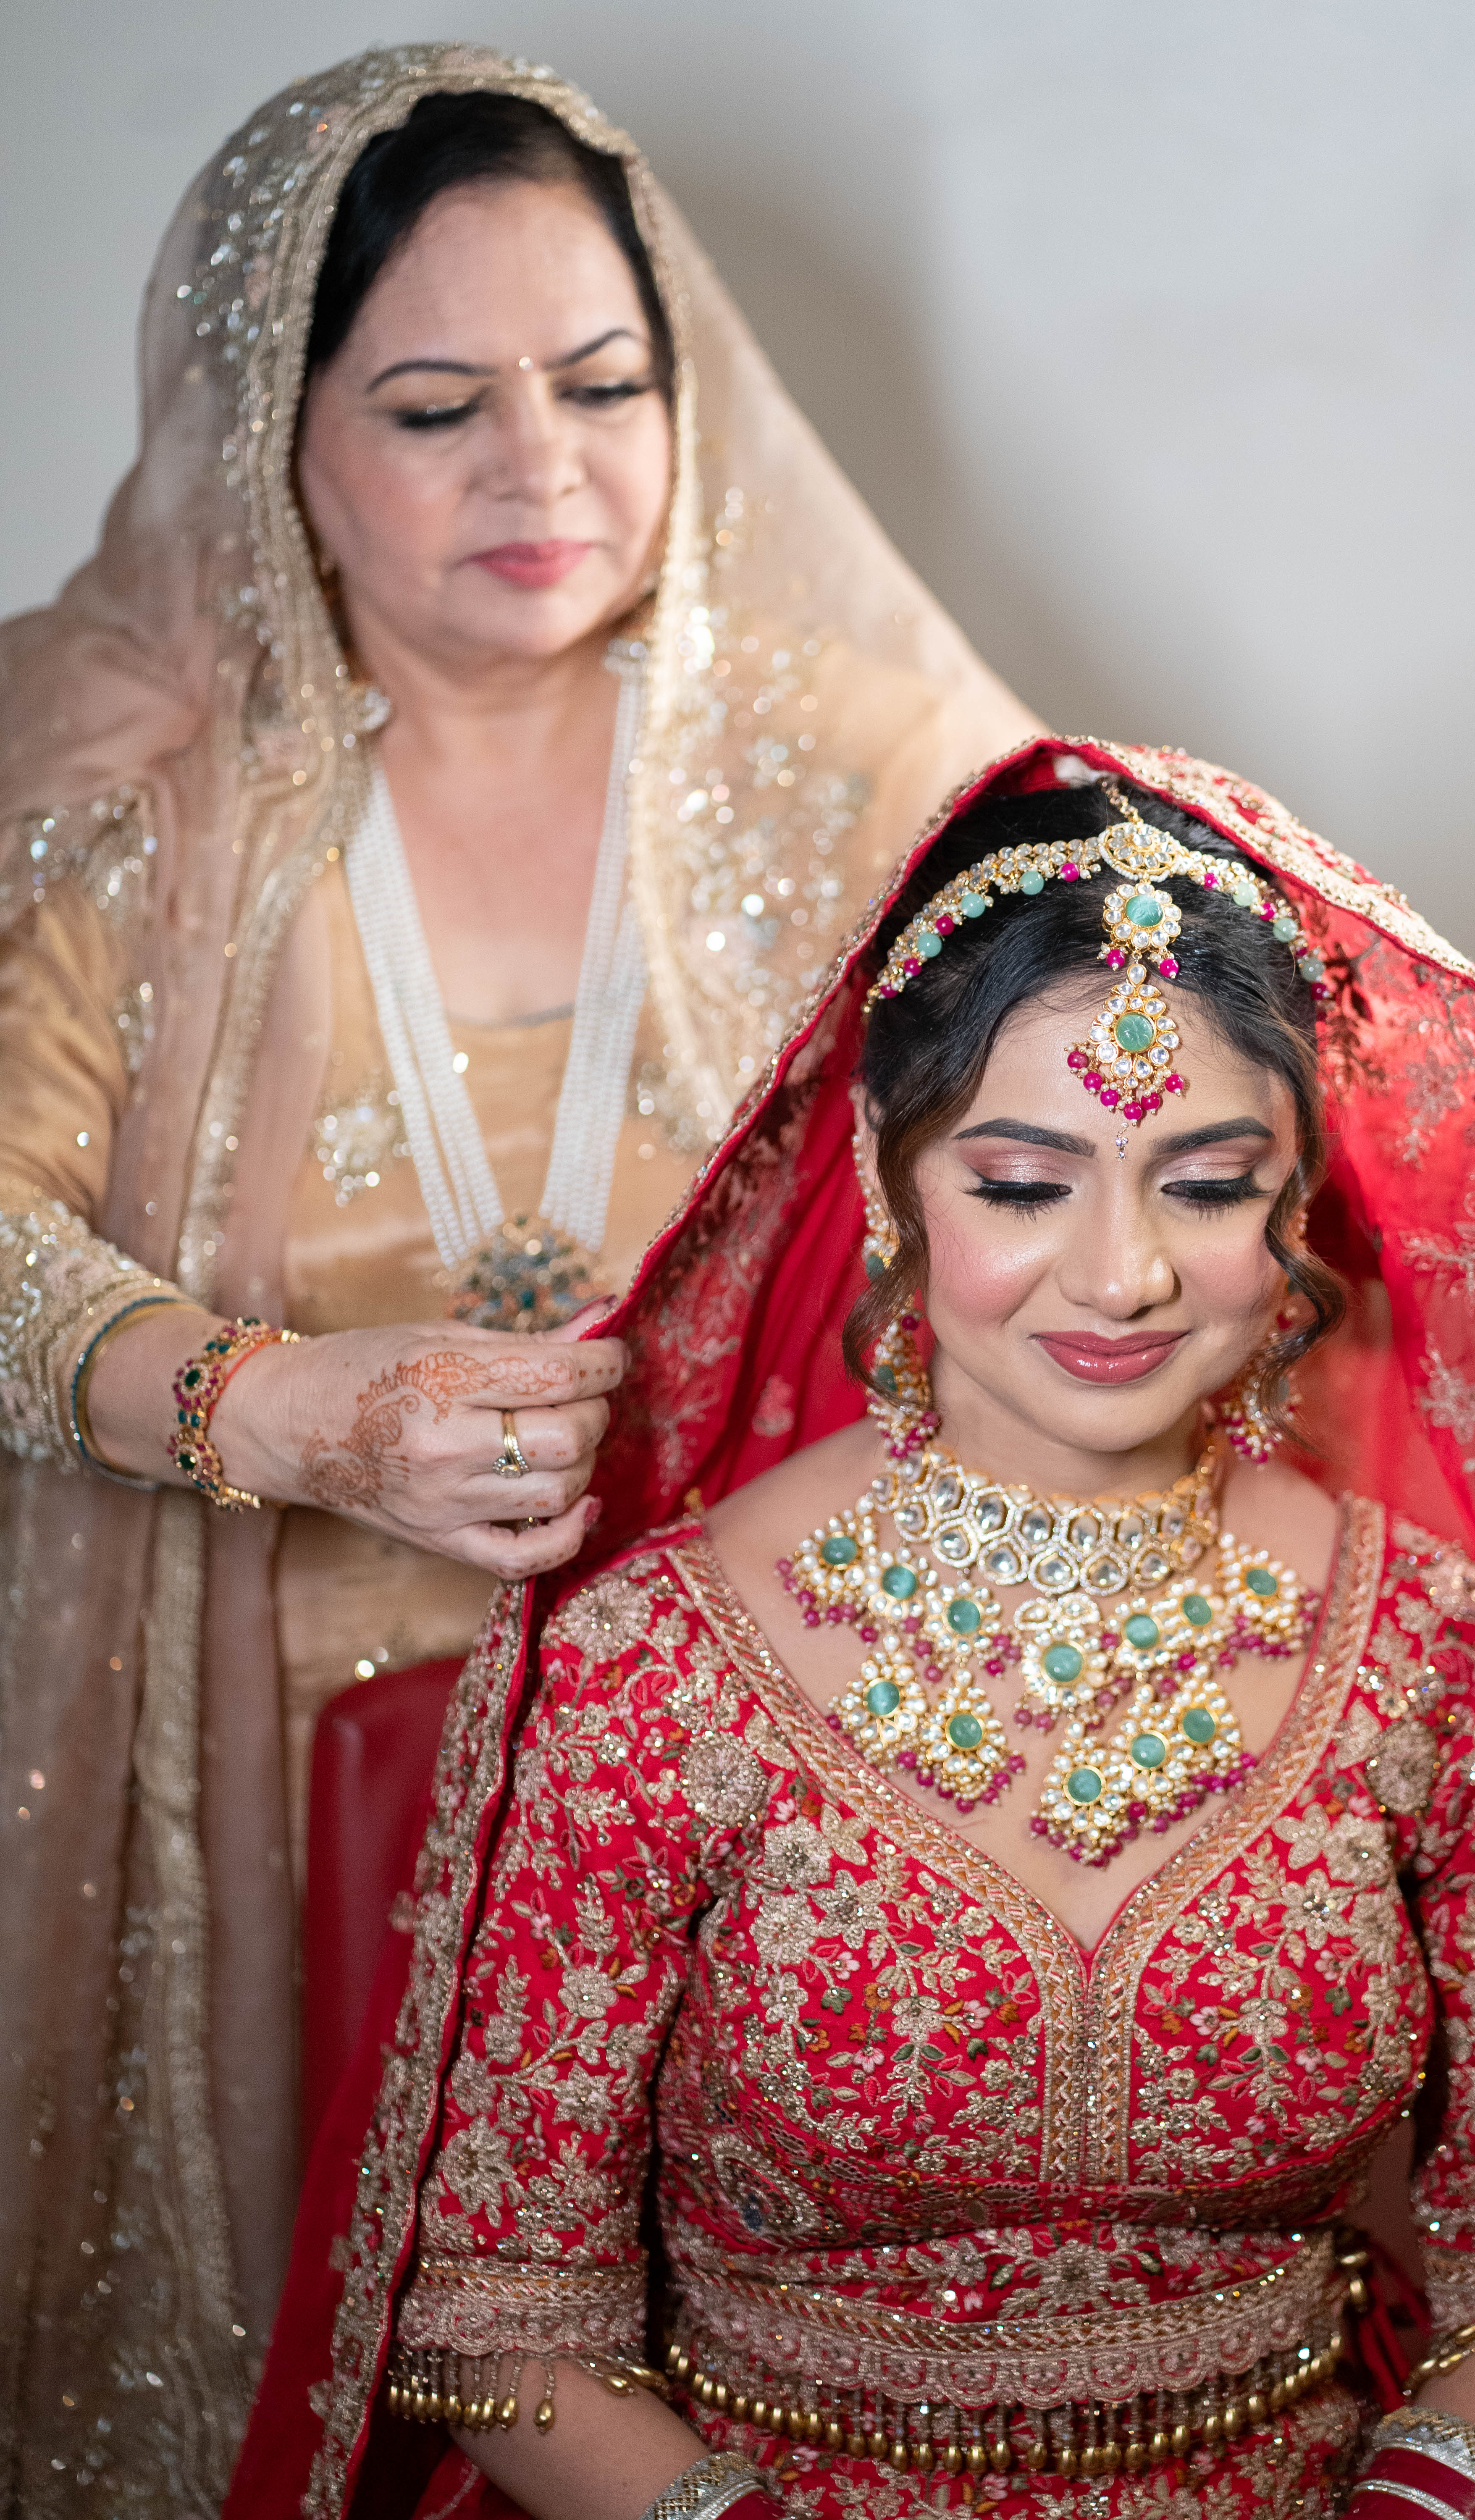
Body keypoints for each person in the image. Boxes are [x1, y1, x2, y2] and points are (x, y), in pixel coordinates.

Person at [232, 738, 1475, 2520]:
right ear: (892, 1177)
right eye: (1022, 1183)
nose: (1121, 1273)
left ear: (1299, 1199)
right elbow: (502, 2321)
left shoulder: (1422, 1643)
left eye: (1209, 1185)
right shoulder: (661, 1664)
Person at [0, 44, 1035, 2513]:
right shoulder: (129, 796)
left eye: (604, 387)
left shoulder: (849, 767)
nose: (544, 472)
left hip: (787, 1812)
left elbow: (1190, 1058)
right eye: (440, 405)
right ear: (277, 430)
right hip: (275, 1807)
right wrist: (278, 1410)